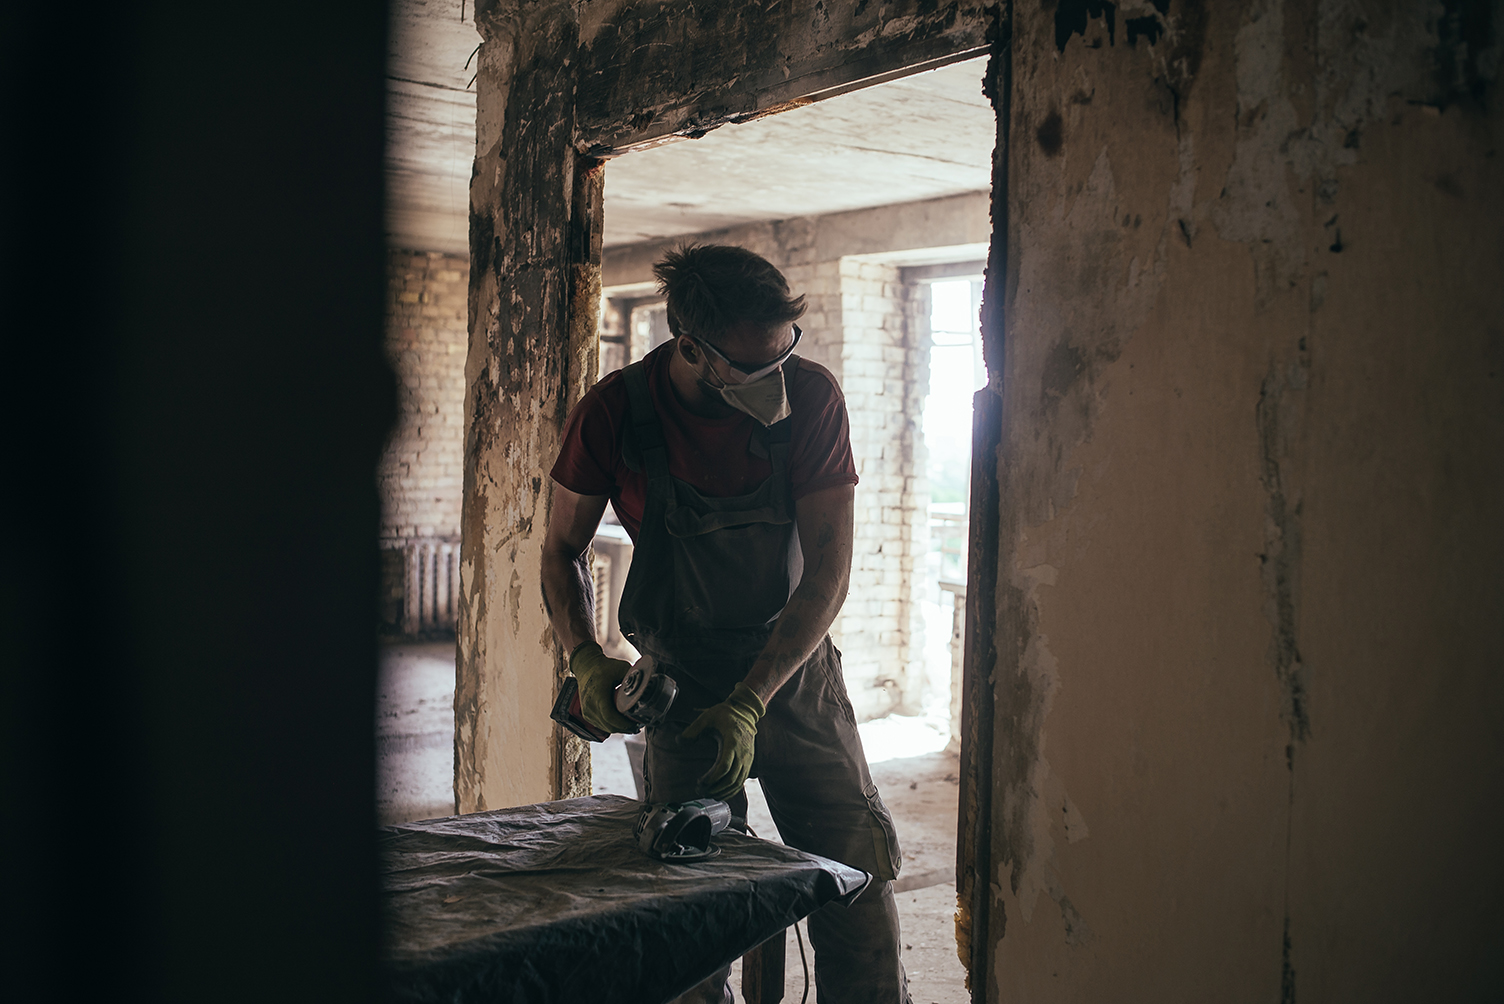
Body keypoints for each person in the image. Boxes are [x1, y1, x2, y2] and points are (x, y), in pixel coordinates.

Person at [542, 243, 910, 1004]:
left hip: (796, 674)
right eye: (754, 366)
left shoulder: (812, 398)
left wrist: (753, 699)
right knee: (689, 899)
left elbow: (829, 570)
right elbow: (559, 551)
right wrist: (585, 659)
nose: (778, 376)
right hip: (679, 684)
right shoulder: (615, 412)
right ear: (692, 349)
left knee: (857, 877)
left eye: (785, 352)